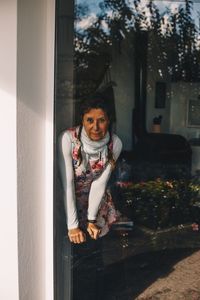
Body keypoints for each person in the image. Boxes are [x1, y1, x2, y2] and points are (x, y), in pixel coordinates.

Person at [58, 93, 122, 244]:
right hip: (69, 204)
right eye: (90, 120)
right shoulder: (68, 139)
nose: (96, 127)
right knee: (71, 247)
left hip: (96, 203)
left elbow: (100, 182)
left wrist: (91, 219)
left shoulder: (115, 143)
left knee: (95, 248)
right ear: (82, 120)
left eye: (101, 120)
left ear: (108, 121)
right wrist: (73, 226)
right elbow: (67, 183)